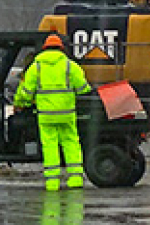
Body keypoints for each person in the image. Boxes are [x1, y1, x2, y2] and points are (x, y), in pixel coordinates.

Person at [14, 33, 92, 190]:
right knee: (71, 143)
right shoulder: (70, 66)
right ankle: (76, 179)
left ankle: (52, 182)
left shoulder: (36, 67)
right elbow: (84, 88)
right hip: (67, 114)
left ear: (44, 48)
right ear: (61, 48)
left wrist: (22, 103)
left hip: (46, 116)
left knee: (50, 146)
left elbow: (26, 91)